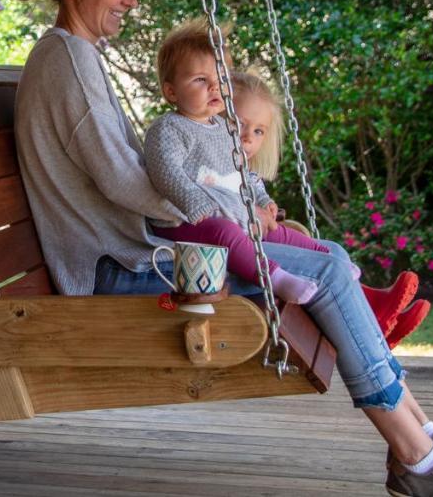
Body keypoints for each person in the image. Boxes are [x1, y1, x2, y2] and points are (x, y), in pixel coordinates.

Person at [6, 0, 433, 497]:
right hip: (116, 266)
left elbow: (129, 178)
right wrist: (229, 208)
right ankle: (419, 459)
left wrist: (233, 207)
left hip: (134, 252)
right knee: (327, 272)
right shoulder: (68, 61)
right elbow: (127, 183)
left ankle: (423, 439)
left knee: (325, 256)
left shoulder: (76, 56)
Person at [230, 67, 431, 346]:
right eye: (240, 125)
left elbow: (257, 189)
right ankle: (376, 322)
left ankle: (378, 318)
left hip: (259, 237)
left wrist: (267, 204)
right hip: (244, 250)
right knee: (327, 263)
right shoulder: (216, 167)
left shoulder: (243, 169)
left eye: (258, 131)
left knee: (334, 251)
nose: (248, 138)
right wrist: (255, 212)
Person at [143, 19, 336, 305]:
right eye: (200, 80)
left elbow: (243, 174)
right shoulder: (169, 128)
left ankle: (328, 261)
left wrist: (262, 198)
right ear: (171, 92)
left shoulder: (223, 129)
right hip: (184, 222)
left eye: (221, 79)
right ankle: (276, 279)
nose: (214, 88)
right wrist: (193, 201)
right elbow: (164, 169)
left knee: (277, 230)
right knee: (225, 232)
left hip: (228, 216)